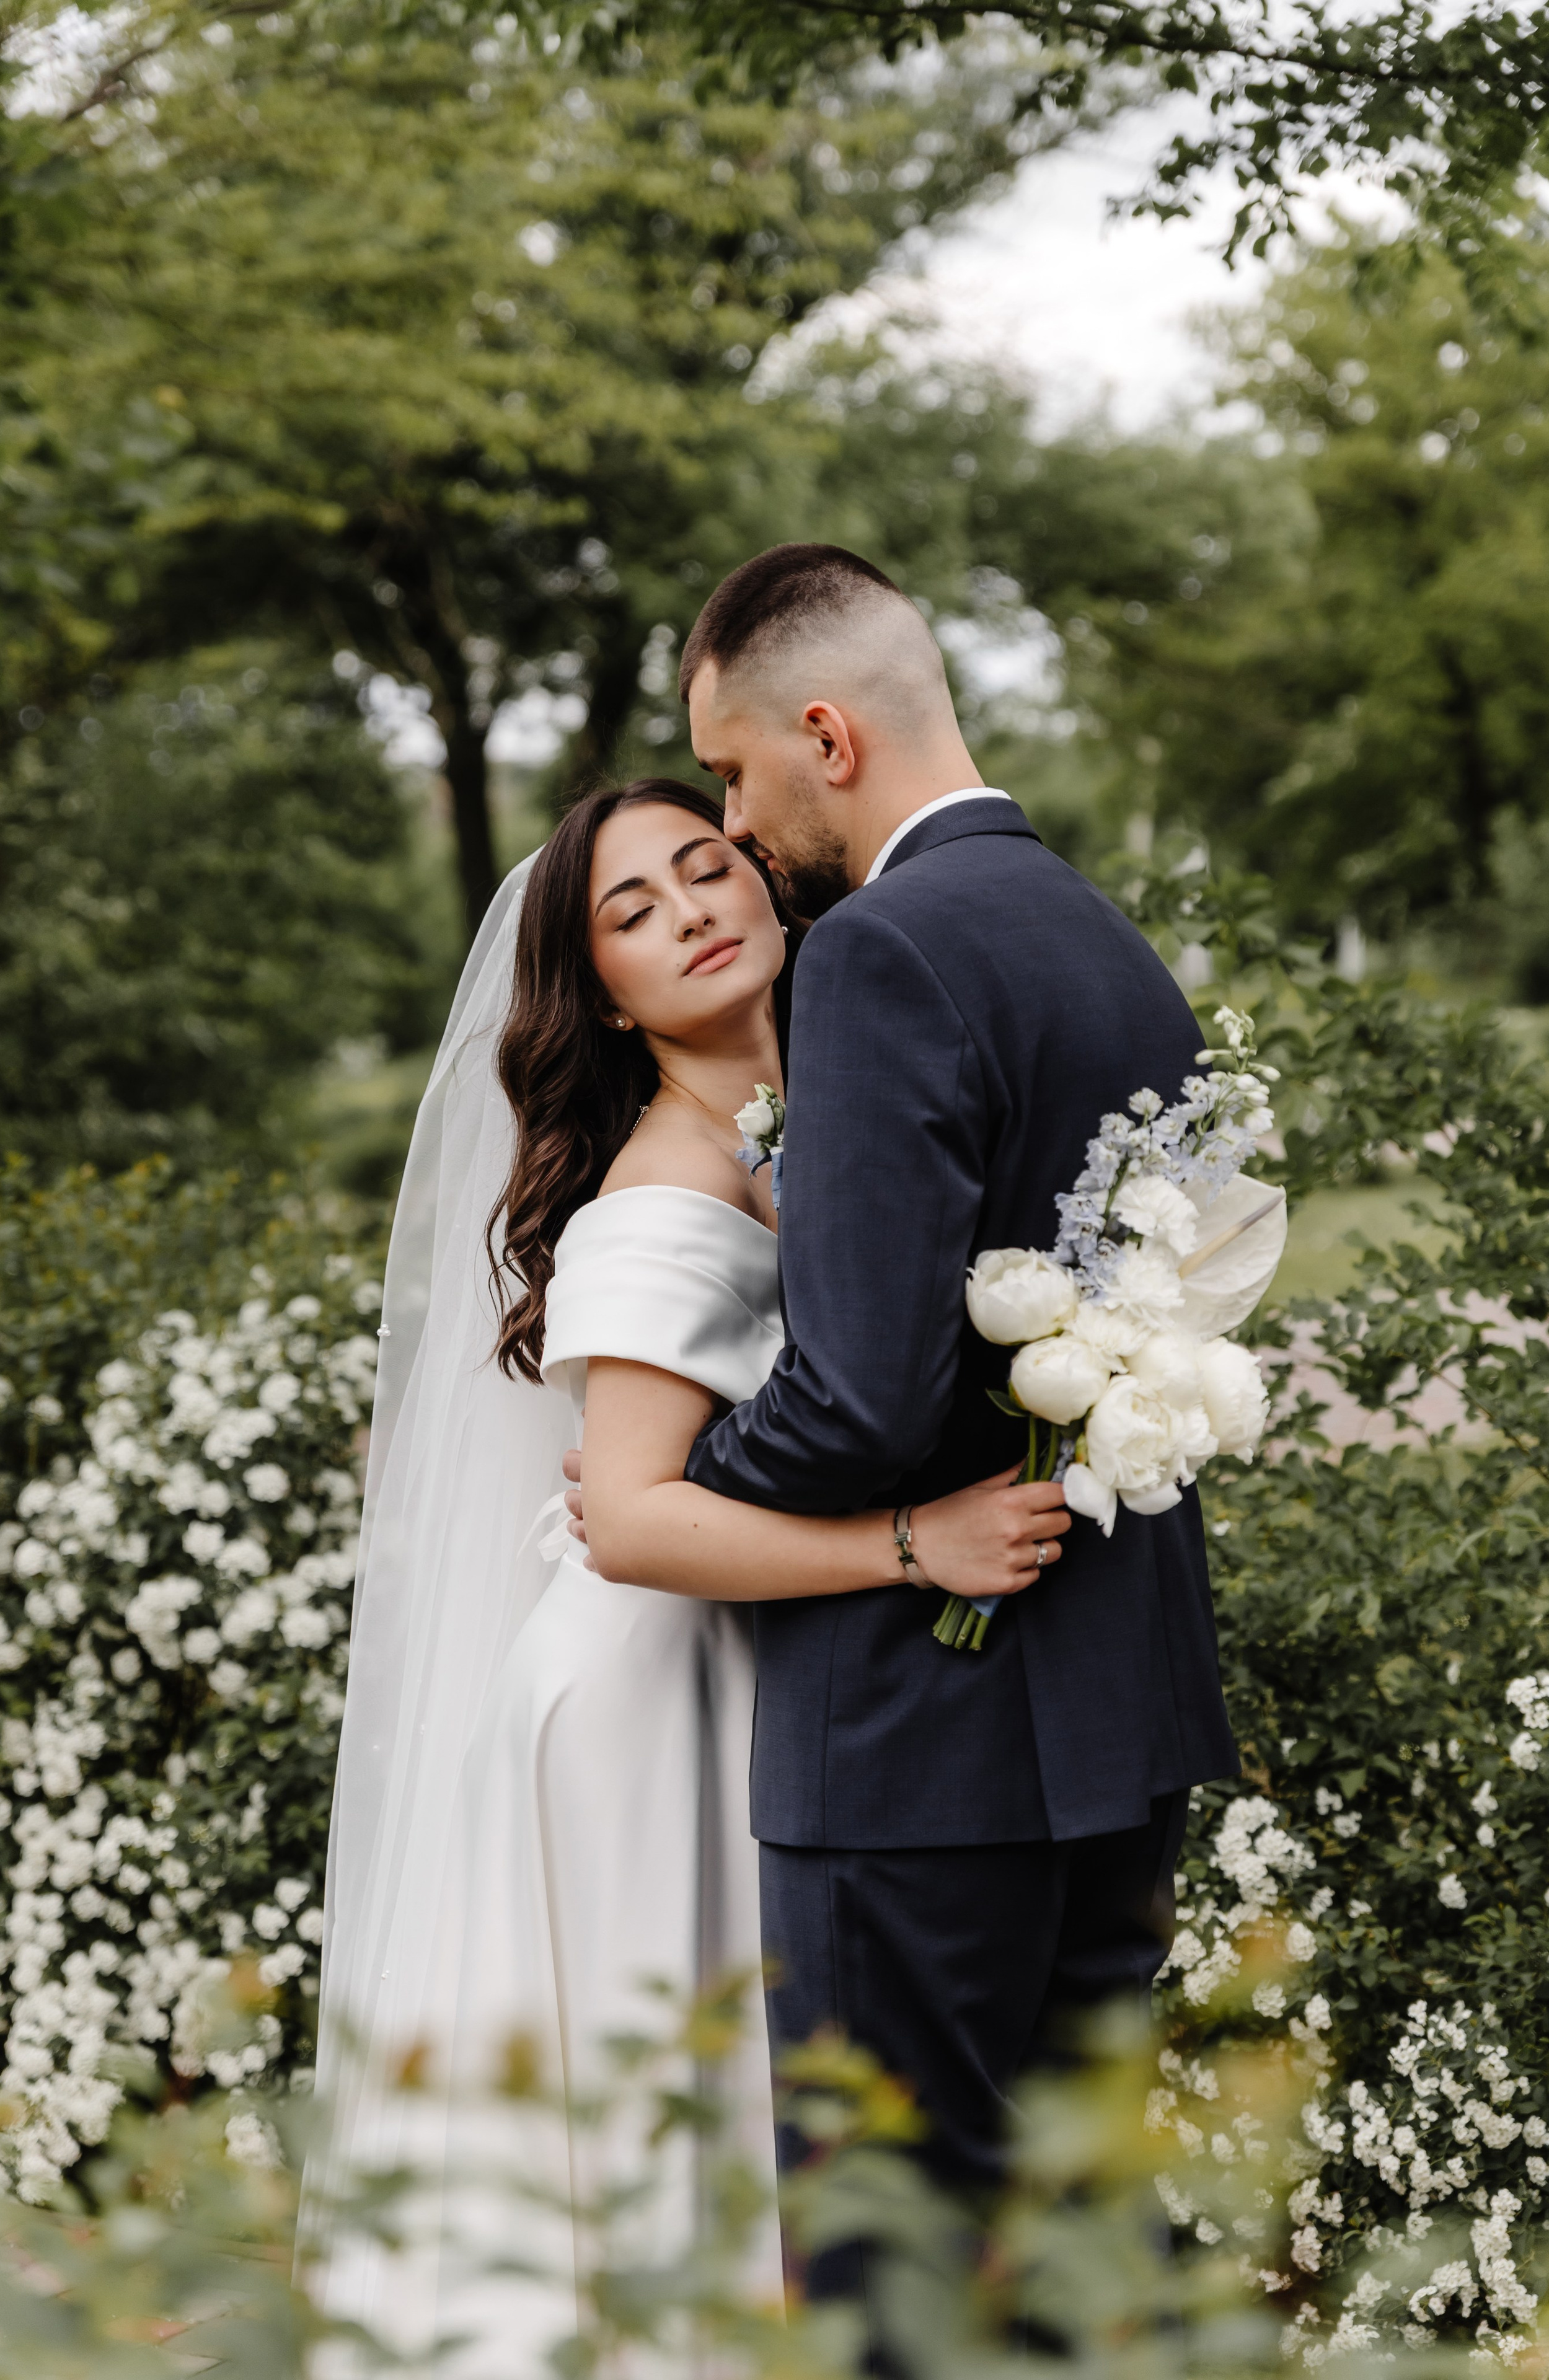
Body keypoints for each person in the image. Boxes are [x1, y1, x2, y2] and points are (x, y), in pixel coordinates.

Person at [314, 776, 1067, 2372]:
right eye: (633, 912)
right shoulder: (658, 1192)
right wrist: (909, 1546)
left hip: (740, 1658)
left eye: (705, 866)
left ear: (768, 883)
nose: (693, 913)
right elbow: (636, 1522)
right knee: (681, 2124)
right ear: (601, 991)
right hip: (641, 1691)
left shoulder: (814, 1112)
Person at [567, 544, 1240, 2244]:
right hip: (1116, 1706)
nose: (736, 817)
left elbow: (863, 1400)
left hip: (922, 1746)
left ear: (824, 735)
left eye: (731, 771)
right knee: (1071, 2258)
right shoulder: (1103, 937)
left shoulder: (877, 953)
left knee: (900, 2278)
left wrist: (681, 1479)